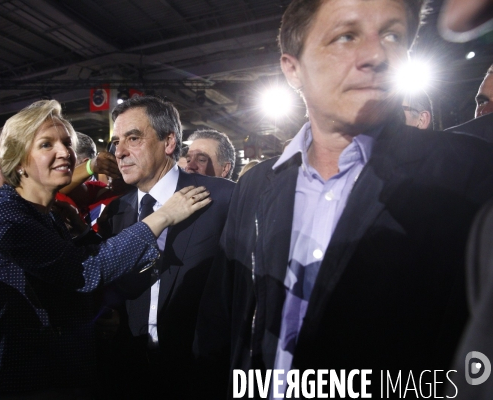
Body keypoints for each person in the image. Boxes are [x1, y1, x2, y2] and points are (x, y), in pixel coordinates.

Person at [194, 0, 493, 396]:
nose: (376, 55)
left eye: (392, 35)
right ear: (292, 68)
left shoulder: (469, 173)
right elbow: (219, 325)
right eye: (346, 36)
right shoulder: (257, 185)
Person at [0, 99, 211, 397]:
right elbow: (82, 272)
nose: (64, 152)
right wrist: (164, 216)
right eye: (46, 144)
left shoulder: (46, 213)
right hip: (11, 386)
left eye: (67, 142)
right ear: (16, 159)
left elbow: (65, 279)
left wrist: (83, 237)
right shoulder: (1, 213)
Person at [100, 96, 235, 399]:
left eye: (133, 138)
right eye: (116, 142)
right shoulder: (115, 212)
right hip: (132, 373)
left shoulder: (223, 198)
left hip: (203, 374)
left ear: (169, 141)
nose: (119, 152)